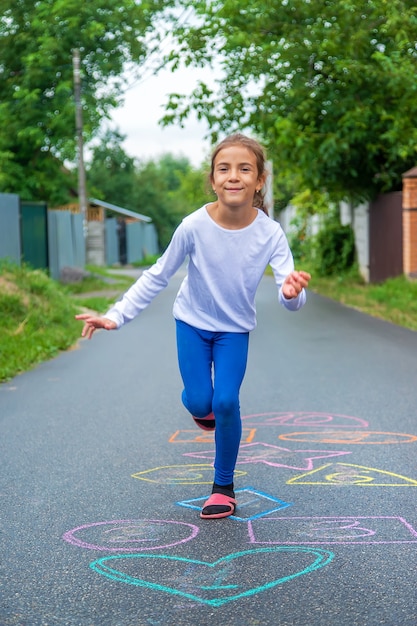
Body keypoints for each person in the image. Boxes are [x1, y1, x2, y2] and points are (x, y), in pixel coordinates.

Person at [75, 133, 311, 520]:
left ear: (259, 181)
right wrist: (115, 316)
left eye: (244, 169)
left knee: (226, 402)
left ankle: (223, 487)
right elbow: (157, 275)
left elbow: (292, 299)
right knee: (201, 401)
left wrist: (290, 292)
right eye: (224, 169)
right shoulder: (193, 226)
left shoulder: (270, 233)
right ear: (213, 180)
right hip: (192, 324)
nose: (233, 176)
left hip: (234, 330)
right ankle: (199, 407)